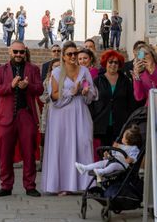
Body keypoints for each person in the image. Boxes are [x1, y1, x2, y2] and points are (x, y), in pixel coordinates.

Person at [41, 41, 97, 195]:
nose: (73, 56)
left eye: (75, 53)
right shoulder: (57, 72)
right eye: (70, 54)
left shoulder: (84, 71)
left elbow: (91, 90)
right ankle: (62, 185)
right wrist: (71, 91)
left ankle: (84, 184)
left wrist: (86, 91)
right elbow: (53, 95)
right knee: (63, 147)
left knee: (83, 142)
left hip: (80, 111)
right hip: (61, 115)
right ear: (63, 56)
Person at [0, 40, 43, 197]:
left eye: (21, 52)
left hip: (26, 114)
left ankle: (30, 185)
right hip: (5, 116)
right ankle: (6, 185)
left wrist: (28, 86)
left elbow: (40, 89)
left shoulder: (33, 69)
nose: (19, 55)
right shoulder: (1, 70)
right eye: (16, 52)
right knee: (5, 152)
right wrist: (11, 86)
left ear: (25, 52)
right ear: (10, 52)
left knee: (29, 152)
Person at [89, 49, 134, 149]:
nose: (113, 64)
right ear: (105, 63)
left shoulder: (125, 81)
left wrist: (129, 121)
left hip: (120, 123)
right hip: (102, 124)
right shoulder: (98, 80)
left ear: (119, 64)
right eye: (110, 62)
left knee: (118, 153)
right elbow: (91, 102)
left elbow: (131, 102)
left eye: (116, 62)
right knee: (103, 153)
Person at [75, 124, 142, 176]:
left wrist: (131, 159)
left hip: (123, 165)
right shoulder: (121, 146)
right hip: (113, 160)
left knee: (113, 166)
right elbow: (114, 156)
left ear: (128, 140)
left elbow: (135, 158)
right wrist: (108, 156)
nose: (122, 138)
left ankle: (101, 172)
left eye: (123, 137)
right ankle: (85, 168)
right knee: (101, 163)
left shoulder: (134, 148)